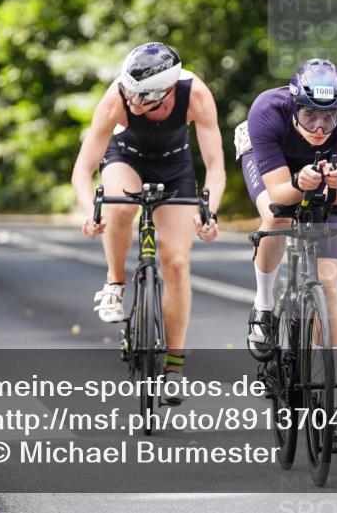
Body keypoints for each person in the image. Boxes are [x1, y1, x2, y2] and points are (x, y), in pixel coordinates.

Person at [71, 42, 226, 406]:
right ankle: (114, 281)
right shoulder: (116, 97)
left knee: (175, 261)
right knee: (120, 208)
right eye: (132, 97)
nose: (135, 106)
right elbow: (83, 168)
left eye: (145, 101)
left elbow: (216, 166)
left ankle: (173, 366)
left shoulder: (196, 94)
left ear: (168, 91)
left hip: (175, 166)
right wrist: (87, 212)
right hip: (127, 157)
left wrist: (210, 212)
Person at [234, 58, 337, 453]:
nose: (321, 127)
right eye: (310, 116)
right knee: (276, 220)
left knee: (327, 283)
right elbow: (279, 197)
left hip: (312, 176)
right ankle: (265, 305)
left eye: (329, 118)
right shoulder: (267, 111)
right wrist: (298, 181)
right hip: (270, 162)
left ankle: (329, 401)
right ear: (294, 107)